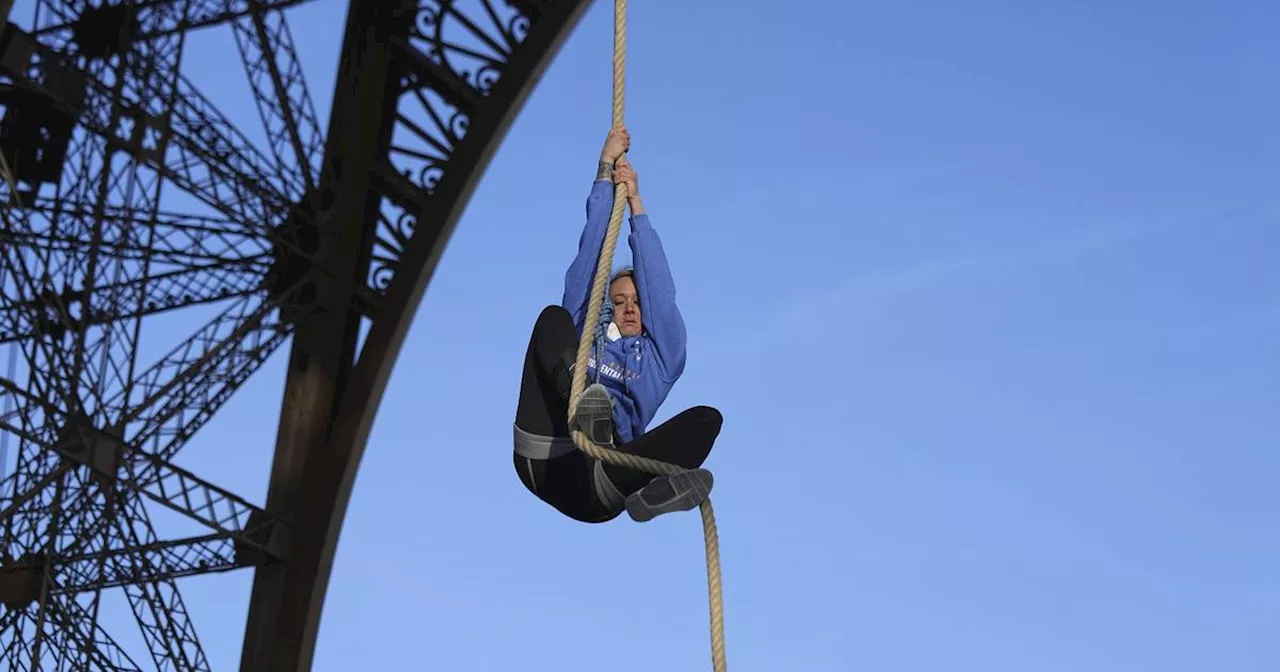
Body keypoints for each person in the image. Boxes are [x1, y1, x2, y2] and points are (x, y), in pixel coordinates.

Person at [512, 126, 722, 524]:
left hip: (598, 483)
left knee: (706, 419)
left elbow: (659, 289)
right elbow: (590, 257)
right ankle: (584, 408)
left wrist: (637, 206)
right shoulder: (587, 330)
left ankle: (649, 493)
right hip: (548, 449)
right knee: (552, 319)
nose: (628, 309)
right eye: (618, 301)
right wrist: (604, 172)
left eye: (637, 303)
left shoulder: (660, 360)